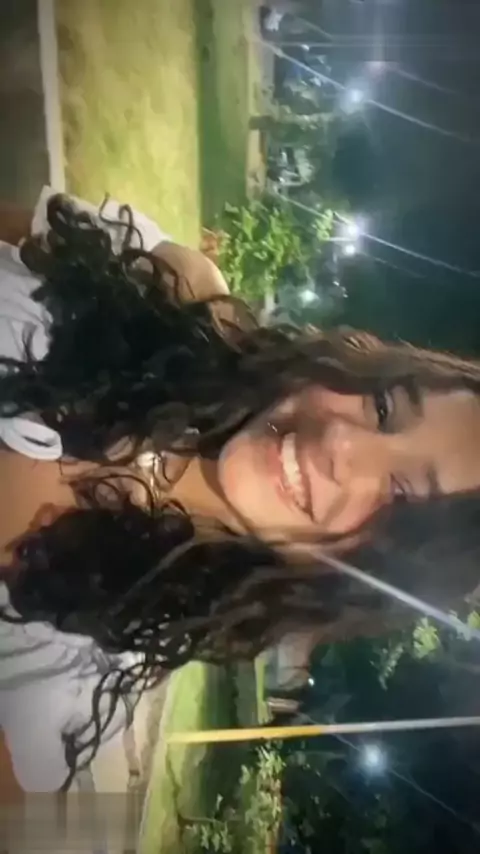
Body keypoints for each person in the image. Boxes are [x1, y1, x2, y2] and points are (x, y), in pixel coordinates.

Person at [1, 189, 480, 791]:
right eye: (383, 406)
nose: (341, 441)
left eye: (399, 494)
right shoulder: (158, 293)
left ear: (370, 574)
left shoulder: (83, 659)